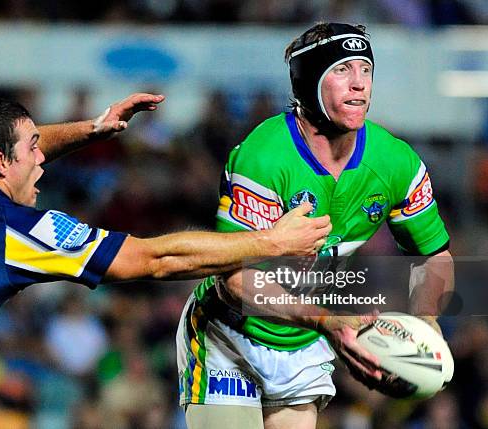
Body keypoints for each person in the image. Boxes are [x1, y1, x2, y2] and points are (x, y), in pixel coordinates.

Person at [0, 93, 333, 407]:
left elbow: (3, 151)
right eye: (33, 147)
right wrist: (270, 242)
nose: (42, 157)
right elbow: (154, 260)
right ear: (0, 163)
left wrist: (93, 130)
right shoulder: (19, 235)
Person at [177, 23, 454, 429]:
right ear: (308, 83)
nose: (359, 84)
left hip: (305, 342)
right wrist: (328, 320)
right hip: (228, 337)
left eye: (365, 69)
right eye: (342, 70)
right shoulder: (264, 157)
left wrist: (426, 320)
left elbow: (434, 256)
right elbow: (235, 283)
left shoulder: (397, 162)